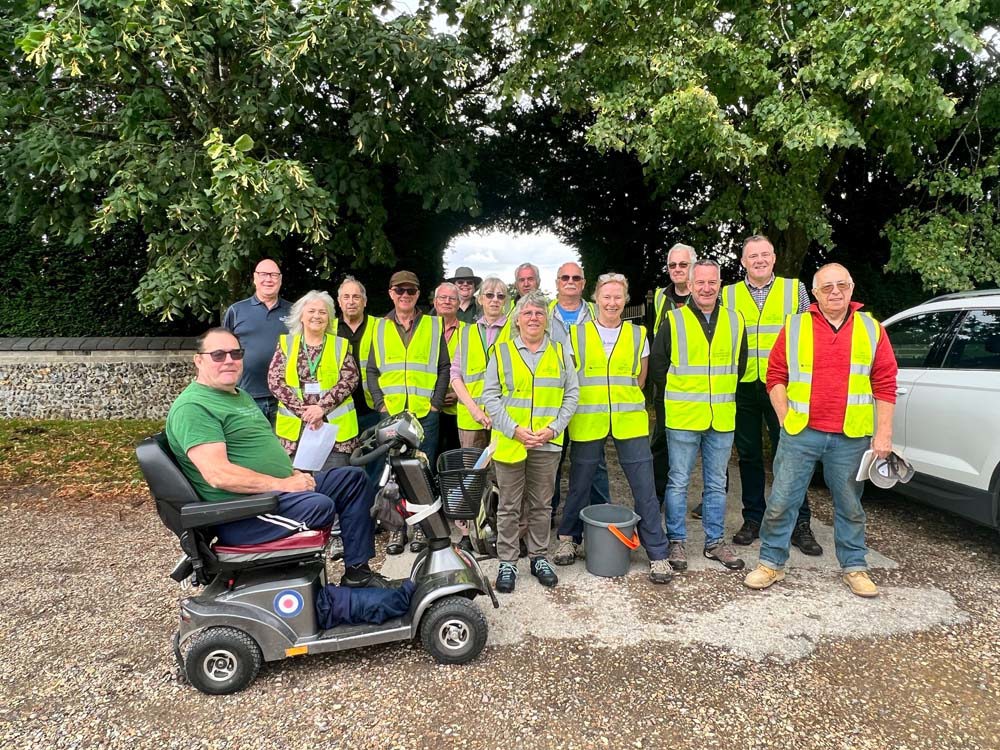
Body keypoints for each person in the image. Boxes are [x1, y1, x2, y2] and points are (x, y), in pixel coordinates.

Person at [165, 327, 387, 588]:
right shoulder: (195, 408)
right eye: (218, 354)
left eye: (236, 353)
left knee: (353, 479)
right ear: (199, 360)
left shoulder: (238, 395)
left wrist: (292, 474)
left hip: (274, 492)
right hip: (246, 512)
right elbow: (218, 475)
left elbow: (261, 447)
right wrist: (284, 484)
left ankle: (358, 574)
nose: (229, 360)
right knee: (320, 505)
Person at [744, 264, 898, 597]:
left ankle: (854, 566)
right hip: (802, 432)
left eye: (842, 285)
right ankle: (771, 563)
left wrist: (883, 433)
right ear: (814, 293)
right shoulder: (796, 326)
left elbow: (885, 383)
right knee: (783, 501)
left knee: (850, 505)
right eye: (827, 287)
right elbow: (776, 375)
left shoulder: (871, 329)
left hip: (851, 436)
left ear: (852, 288)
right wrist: (784, 417)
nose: (835, 292)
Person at [556, 273, 673, 584]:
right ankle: (568, 538)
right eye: (606, 296)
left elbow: (641, 379)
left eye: (617, 297)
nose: (611, 302)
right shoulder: (576, 334)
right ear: (596, 298)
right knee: (580, 483)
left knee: (644, 488)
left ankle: (658, 553)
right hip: (588, 418)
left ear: (625, 300)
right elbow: (570, 379)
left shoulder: (638, 335)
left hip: (629, 420)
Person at [721, 235, 820, 555]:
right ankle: (753, 519)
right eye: (752, 256)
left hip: (785, 386)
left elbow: (811, 333)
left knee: (791, 454)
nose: (759, 260)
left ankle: (799, 522)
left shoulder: (796, 290)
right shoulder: (729, 294)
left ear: (774, 258)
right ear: (743, 261)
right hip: (745, 385)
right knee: (748, 455)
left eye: (765, 254)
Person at [650, 259, 748, 572]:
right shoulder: (673, 320)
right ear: (690, 285)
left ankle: (715, 543)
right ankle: (676, 541)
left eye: (712, 282)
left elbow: (740, 365)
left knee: (717, 484)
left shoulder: (735, 320)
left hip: (720, 416)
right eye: (700, 283)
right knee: (678, 482)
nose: (706, 288)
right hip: (682, 417)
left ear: (720, 285)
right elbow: (658, 368)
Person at [482, 291, 579, 594]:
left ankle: (538, 557)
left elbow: (572, 395)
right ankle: (508, 561)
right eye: (527, 313)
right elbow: (490, 397)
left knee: (541, 504)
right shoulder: (501, 352)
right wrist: (514, 430)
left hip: (547, 442)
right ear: (517, 319)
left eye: (539, 313)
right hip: (512, 442)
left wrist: (553, 429)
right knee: (509, 506)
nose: (534, 318)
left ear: (546, 320)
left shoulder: (561, 351)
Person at [367, 271, 450, 555]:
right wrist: (380, 404)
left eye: (411, 291)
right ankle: (396, 530)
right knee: (393, 474)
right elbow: (371, 370)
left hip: (424, 413)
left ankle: (420, 529)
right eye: (399, 290)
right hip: (392, 415)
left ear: (418, 294)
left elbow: (443, 367)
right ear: (390, 292)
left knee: (422, 473)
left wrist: (436, 403)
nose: (405, 295)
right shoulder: (378, 327)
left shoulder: (432, 325)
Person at [547, 261, 611, 520]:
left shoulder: (600, 311)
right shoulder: (543, 312)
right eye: (565, 277)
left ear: (584, 284)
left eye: (576, 277)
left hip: (589, 399)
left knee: (596, 463)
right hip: (552, 399)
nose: (570, 281)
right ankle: (548, 512)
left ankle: (600, 514)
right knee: (552, 459)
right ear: (557, 283)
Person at [269, 291, 360, 469]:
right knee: (299, 489)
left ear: (329, 318)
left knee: (336, 484)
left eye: (322, 312)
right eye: (311, 311)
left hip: (334, 434)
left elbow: (350, 379)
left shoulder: (339, 345)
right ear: (301, 316)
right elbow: (275, 382)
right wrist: (306, 413)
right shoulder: (287, 343)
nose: (316, 316)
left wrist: (321, 408)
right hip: (295, 434)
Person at [650, 243, 696, 499]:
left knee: (711, 444)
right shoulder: (660, 297)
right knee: (661, 439)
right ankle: (658, 495)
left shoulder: (707, 293)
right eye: (673, 265)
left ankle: (708, 500)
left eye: (683, 264)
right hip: (667, 382)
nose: (677, 269)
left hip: (700, 384)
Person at [222, 259, 292, 422]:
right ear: (254, 278)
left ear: (280, 280)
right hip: (246, 396)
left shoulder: (294, 311)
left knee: (284, 447)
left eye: (274, 275)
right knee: (250, 445)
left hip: (286, 396)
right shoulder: (236, 311)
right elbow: (224, 351)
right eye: (263, 274)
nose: (268, 279)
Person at [336, 276, 380, 436]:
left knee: (375, 457)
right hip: (339, 409)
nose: (351, 301)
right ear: (339, 302)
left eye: (356, 297)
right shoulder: (329, 329)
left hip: (373, 407)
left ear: (365, 301)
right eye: (346, 297)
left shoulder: (380, 326)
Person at [433, 282, 464, 460]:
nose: (447, 302)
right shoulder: (424, 329)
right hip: (428, 407)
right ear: (435, 302)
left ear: (459, 304)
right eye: (442, 298)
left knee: (455, 461)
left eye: (452, 298)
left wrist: (459, 394)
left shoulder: (469, 331)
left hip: (457, 409)